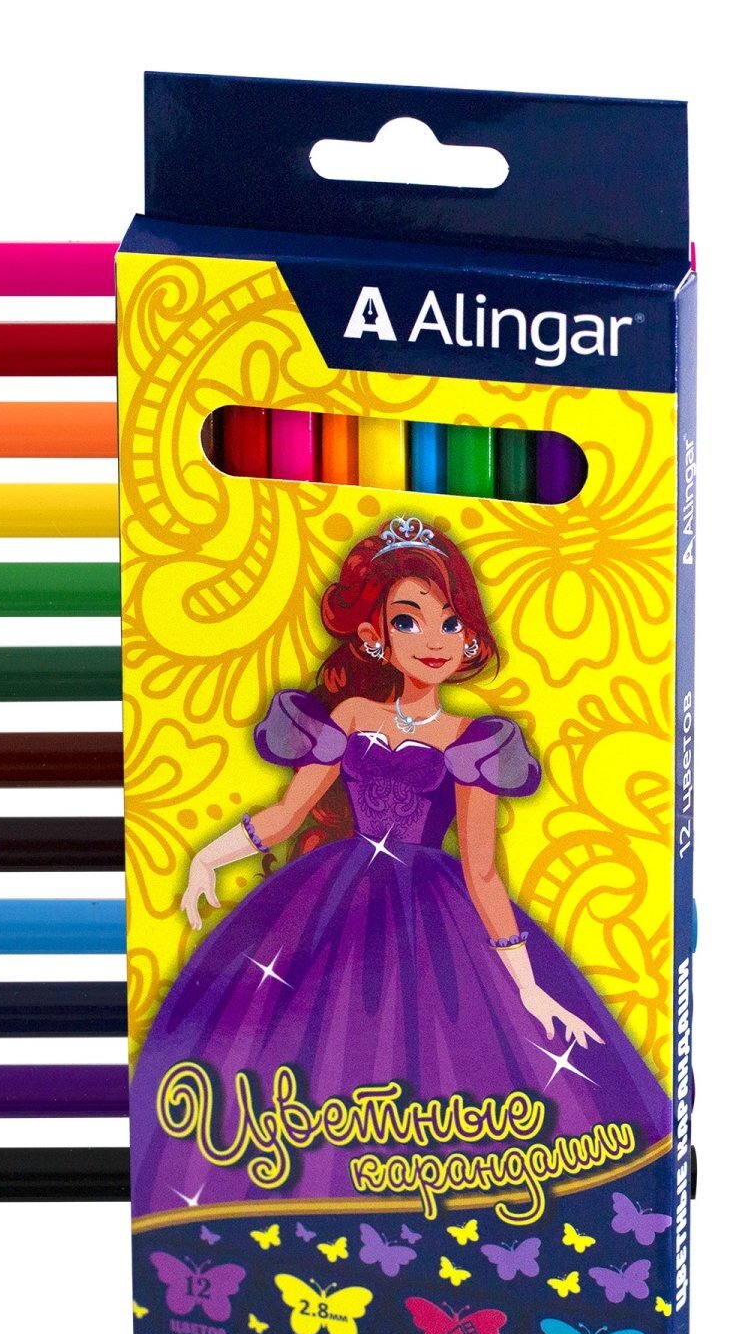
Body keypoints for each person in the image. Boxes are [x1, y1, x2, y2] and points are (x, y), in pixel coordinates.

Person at [130, 516, 671, 1216]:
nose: (434, 639)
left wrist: (529, 987)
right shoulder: (352, 715)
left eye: (451, 621)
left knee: (445, 1062)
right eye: (409, 621)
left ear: (469, 636)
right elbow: (287, 815)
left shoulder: (474, 741)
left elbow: (481, 872)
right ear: (373, 635)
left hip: (436, 924)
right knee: (308, 1053)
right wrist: (208, 856)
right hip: (332, 905)